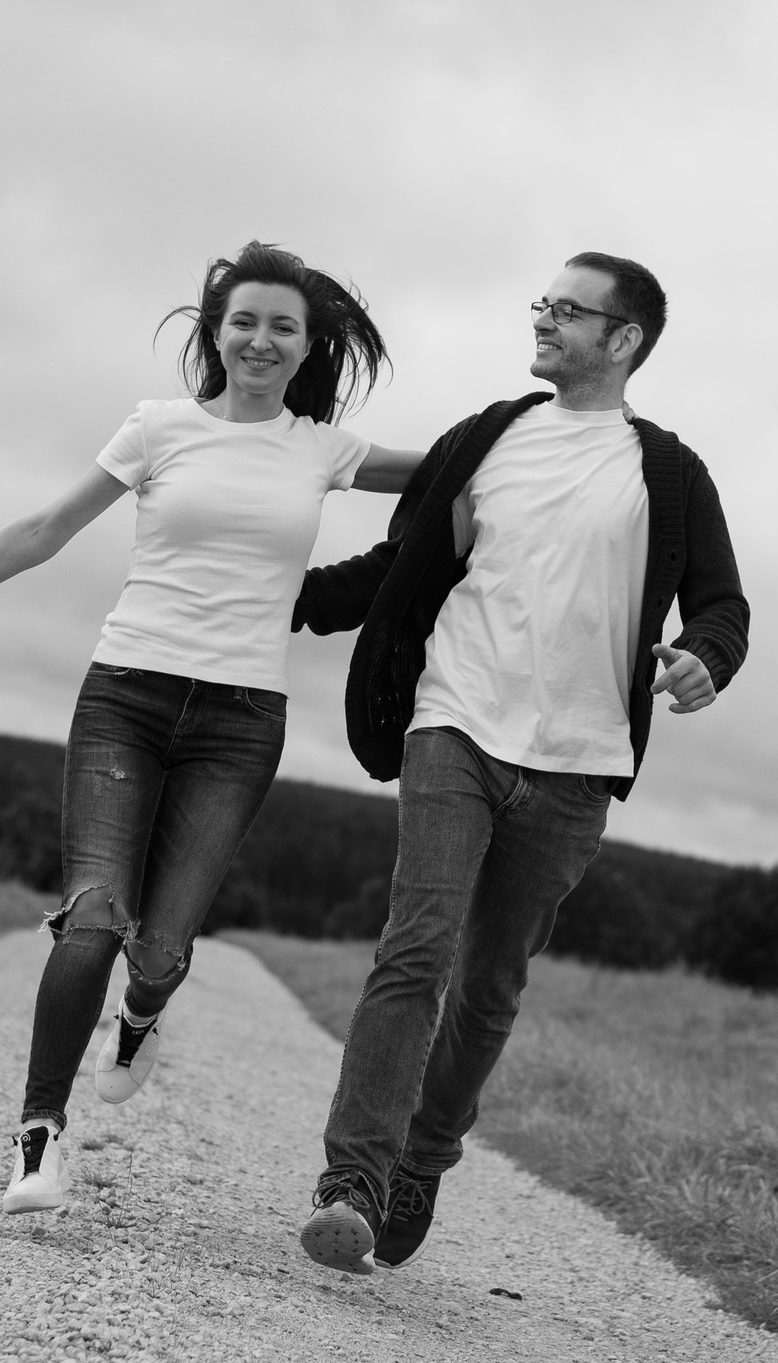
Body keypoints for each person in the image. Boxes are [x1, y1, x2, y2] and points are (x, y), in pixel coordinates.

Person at [0, 242, 422, 1216]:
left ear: (308, 343)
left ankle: (141, 1013)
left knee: (160, 949)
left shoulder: (323, 448)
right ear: (214, 332)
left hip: (240, 721)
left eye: (282, 326)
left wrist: (544, 437)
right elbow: (42, 530)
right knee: (94, 915)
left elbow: (458, 468)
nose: (261, 339)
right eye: (244, 320)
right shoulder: (159, 427)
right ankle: (38, 1139)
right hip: (126, 696)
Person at [289, 251, 749, 1274]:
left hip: (577, 762)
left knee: (490, 982)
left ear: (622, 339)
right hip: (453, 720)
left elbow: (721, 604)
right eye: (543, 302)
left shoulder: (669, 475)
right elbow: (398, 566)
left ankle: (422, 1157)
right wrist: (280, 595)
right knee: (416, 947)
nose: (542, 319)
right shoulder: (485, 439)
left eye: (567, 310)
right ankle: (352, 1181)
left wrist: (705, 657)